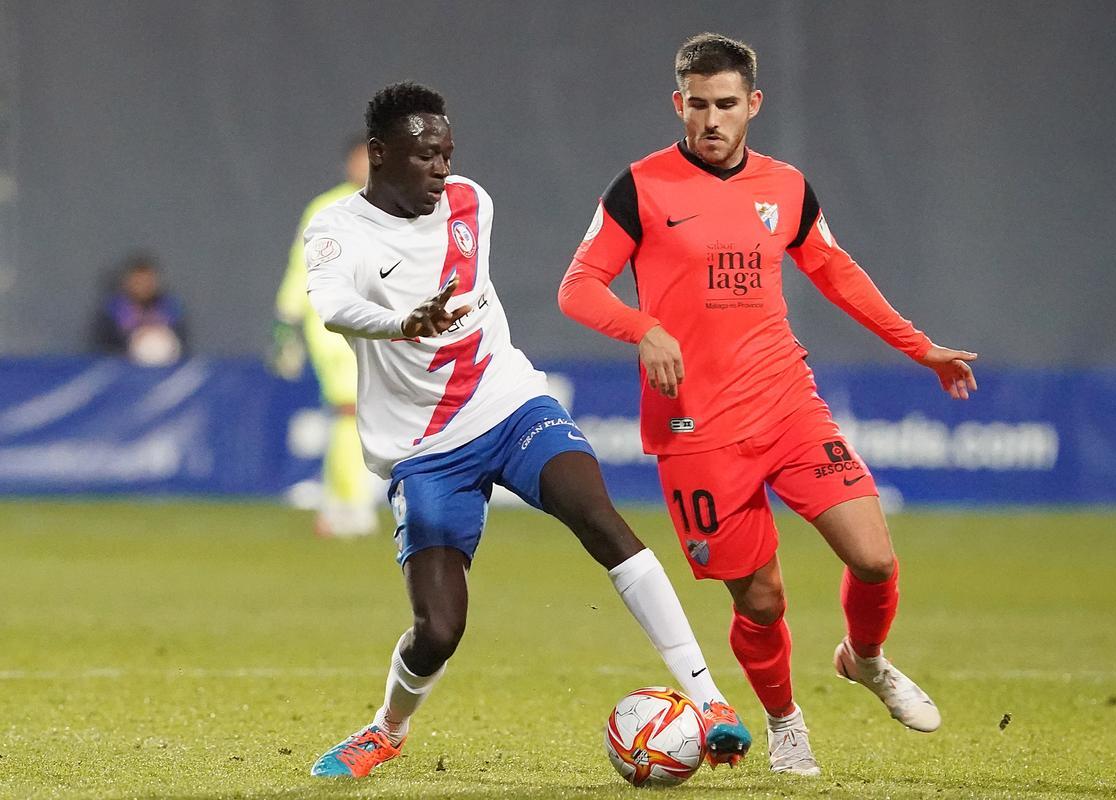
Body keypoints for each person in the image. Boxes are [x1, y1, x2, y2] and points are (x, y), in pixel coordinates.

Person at [302, 82, 752, 779]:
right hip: (424, 450)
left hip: (508, 404)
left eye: (448, 154)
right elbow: (333, 307)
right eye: (425, 157)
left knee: (600, 518)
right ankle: (387, 729)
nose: (442, 170)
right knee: (439, 631)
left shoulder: (471, 204)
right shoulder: (337, 229)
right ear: (381, 155)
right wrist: (404, 322)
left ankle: (712, 701)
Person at [558, 33, 978, 775]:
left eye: (726, 105)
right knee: (760, 600)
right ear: (677, 102)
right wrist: (644, 326)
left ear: (753, 104)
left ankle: (867, 659)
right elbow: (579, 286)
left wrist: (921, 347)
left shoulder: (785, 187)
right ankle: (787, 723)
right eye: (697, 105)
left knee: (876, 559)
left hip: (787, 402)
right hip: (694, 427)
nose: (711, 120)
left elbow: (835, 271)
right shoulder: (640, 187)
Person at [273, 135, 379, 537]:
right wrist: (286, 322)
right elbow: (301, 269)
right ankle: (353, 506)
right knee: (351, 410)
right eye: (360, 160)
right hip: (332, 325)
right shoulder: (326, 208)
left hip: (379, 325)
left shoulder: (396, 209)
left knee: (358, 415)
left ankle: (336, 502)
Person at [93, 252, 187, 366]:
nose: (143, 286)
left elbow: (179, 337)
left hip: (164, 364)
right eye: (138, 281)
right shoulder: (115, 307)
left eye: (147, 281)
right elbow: (107, 342)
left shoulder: (168, 305)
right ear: (128, 282)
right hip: (125, 365)